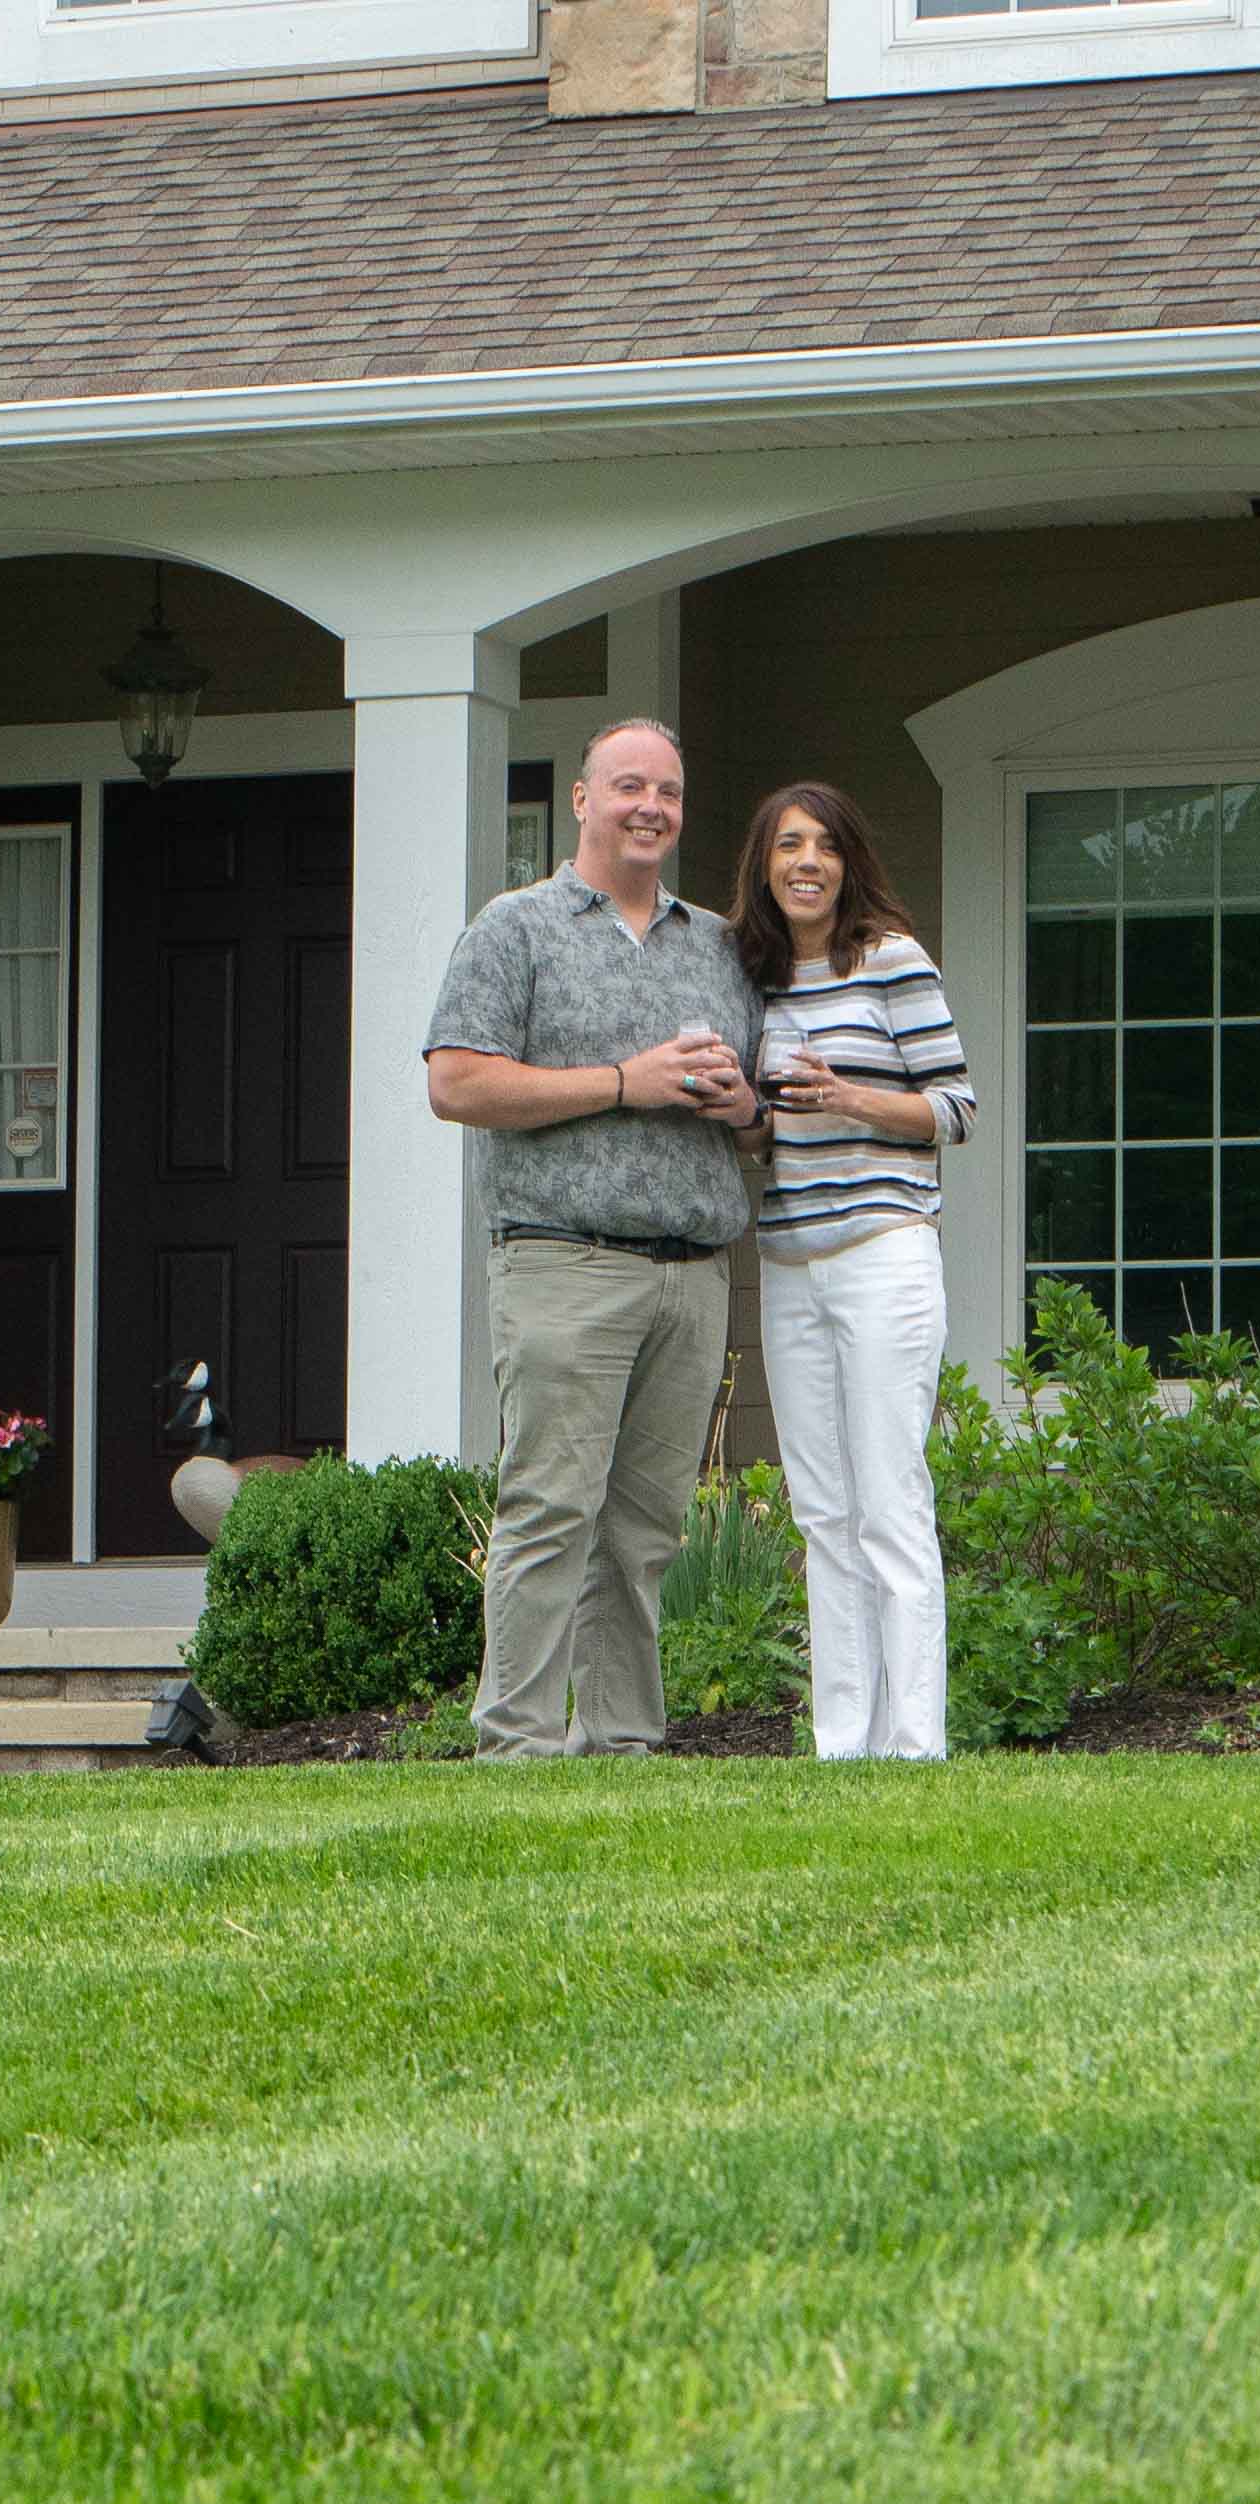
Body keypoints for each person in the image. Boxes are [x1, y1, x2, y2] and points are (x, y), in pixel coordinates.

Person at [420, 719, 764, 1757]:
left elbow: (759, 1117)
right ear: (581, 799)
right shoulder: (513, 928)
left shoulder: (716, 945)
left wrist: (735, 1101)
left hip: (692, 1274)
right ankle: (516, 1742)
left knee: (645, 1528)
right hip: (563, 1262)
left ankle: (617, 1741)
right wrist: (628, 1081)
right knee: (549, 1510)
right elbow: (456, 1081)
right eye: (627, 786)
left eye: (665, 789)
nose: (648, 806)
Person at [733, 784, 976, 1762]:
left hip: (883, 1253)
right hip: (789, 1261)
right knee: (821, 1508)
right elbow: (761, 1132)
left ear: (847, 864)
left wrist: (847, 1096)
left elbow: (954, 1108)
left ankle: (913, 1743)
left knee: (888, 1497)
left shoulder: (889, 961)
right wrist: (736, 1112)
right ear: (762, 864)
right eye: (788, 843)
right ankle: (843, 1741)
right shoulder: (749, 984)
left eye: (825, 845)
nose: (806, 860)